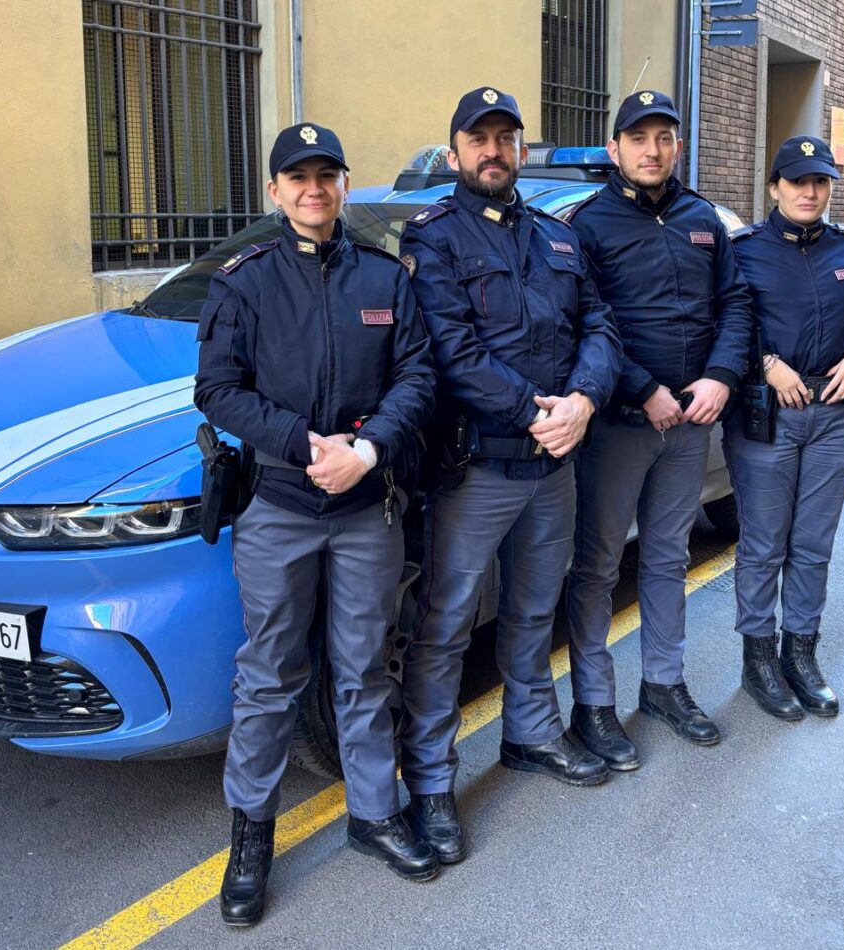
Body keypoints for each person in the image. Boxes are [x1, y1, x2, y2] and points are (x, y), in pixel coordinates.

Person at [194, 123, 438, 927]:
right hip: (280, 506)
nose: (313, 189)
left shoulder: (383, 276)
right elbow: (218, 390)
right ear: (275, 191)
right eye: (297, 177)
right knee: (269, 676)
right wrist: (306, 446)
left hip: (366, 505)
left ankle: (374, 814)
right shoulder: (245, 283)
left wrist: (365, 451)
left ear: (342, 185)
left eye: (325, 175)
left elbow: (417, 377)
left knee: (365, 667)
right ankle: (250, 837)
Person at [398, 86, 623, 863]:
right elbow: (451, 351)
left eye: (505, 137)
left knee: (532, 611)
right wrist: (536, 412)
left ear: (521, 149)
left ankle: (530, 735)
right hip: (476, 468)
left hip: (552, 466)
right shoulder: (432, 238)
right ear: (455, 151)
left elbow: (600, 327)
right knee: (445, 626)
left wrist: (584, 400)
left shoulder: (558, 239)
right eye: (478, 139)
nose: (493, 151)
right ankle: (431, 782)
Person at [566, 90, 752, 765]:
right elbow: (584, 324)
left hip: (691, 421)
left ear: (677, 145)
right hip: (620, 425)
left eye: (664, 138)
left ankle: (664, 685)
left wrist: (721, 376)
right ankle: (592, 705)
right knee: (597, 565)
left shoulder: (702, 217)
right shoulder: (588, 226)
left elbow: (734, 303)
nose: (652, 150)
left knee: (669, 557)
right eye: (638, 138)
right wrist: (643, 390)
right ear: (614, 149)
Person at [725, 135, 844, 720]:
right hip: (768, 416)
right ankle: (758, 662)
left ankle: (801, 654)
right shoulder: (744, 251)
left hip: (835, 416)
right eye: (798, 181)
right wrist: (765, 363)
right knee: (764, 544)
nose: (810, 192)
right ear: (774, 188)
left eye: (820, 181)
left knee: (813, 544)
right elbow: (720, 323)